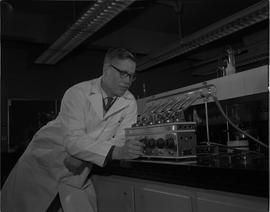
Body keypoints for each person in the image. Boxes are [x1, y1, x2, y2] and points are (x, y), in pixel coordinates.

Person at [1, 48, 145, 212]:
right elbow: (74, 141)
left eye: (132, 76)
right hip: (46, 161)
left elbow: (121, 139)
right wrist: (114, 152)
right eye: (123, 73)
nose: (128, 81)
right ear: (106, 70)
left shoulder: (129, 101)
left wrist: (85, 157)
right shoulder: (78, 93)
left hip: (77, 170)